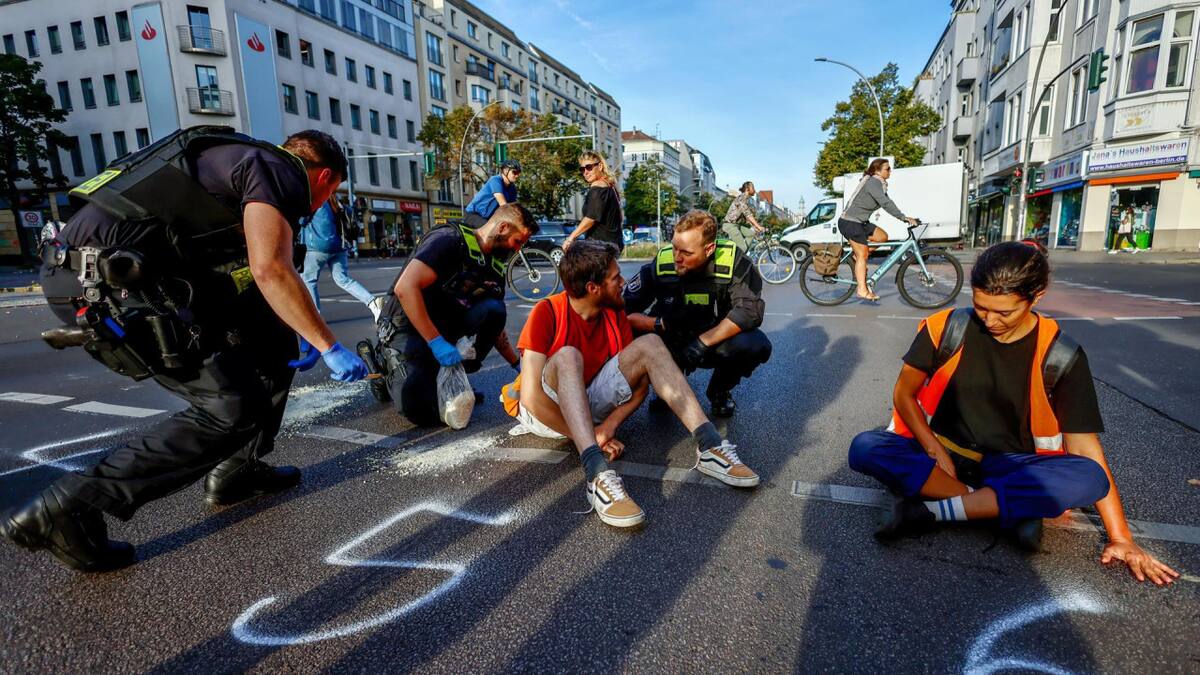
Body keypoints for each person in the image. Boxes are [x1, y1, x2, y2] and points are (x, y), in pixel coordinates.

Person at [3, 127, 368, 573]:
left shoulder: (236, 161)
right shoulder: (277, 170)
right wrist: (329, 345)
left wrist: (298, 331)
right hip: (108, 286)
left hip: (110, 273)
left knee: (275, 342)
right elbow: (270, 266)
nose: (324, 203)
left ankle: (238, 468)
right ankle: (68, 506)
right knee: (228, 408)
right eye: (331, 193)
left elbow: (244, 276)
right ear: (326, 177)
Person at [848, 241, 1179, 585]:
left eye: (1004, 312)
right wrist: (931, 445)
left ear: (1036, 296)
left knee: (1089, 477)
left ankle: (932, 510)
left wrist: (1121, 538)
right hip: (943, 454)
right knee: (867, 447)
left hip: (1010, 463)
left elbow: (1085, 449)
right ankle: (998, 509)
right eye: (980, 307)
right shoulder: (945, 328)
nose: (990, 320)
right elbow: (904, 392)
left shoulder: (1061, 354)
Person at [500, 241, 759, 528]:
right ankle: (596, 473)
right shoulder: (547, 312)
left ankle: (710, 446)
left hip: (585, 405)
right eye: (615, 278)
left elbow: (639, 388)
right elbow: (531, 398)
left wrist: (608, 427)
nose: (623, 283)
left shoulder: (614, 316)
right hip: (545, 412)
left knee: (649, 344)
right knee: (568, 355)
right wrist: (584, 437)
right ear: (592, 288)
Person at [361, 203, 536, 424]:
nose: (518, 249)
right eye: (518, 241)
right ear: (502, 227)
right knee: (418, 410)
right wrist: (436, 342)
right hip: (409, 325)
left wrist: (517, 366)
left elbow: (495, 328)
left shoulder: (494, 267)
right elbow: (405, 288)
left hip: (444, 328)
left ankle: (450, 377)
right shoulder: (449, 239)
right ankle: (382, 365)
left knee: (494, 309)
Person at [624, 209, 771, 417]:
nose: (677, 258)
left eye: (686, 253)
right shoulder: (663, 262)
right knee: (629, 334)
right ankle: (666, 386)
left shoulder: (733, 262)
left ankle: (719, 391)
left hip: (715, 343)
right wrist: (658, 324)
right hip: (670, 337)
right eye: (675, 247)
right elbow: (625, 309)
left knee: (755, 344)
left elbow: (749, 311)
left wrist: (702, 343)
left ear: (709, 248)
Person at [838, 159, 919, 301]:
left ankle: (858, 259)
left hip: (861, 222)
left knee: (882, 237)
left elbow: (889, 202)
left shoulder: (879, 184)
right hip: (850, 222)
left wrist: (905, 216)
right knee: (863, 255)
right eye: (887, 169)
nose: (890, 171)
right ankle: (861, 290)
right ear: (877, 171)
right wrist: (903, 217)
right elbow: (886, 203)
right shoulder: (873, 183)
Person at [300, 197, 384, 321]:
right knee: (342, 279)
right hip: (340, 247)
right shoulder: (336, 202)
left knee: (309, 280)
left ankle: (316, 319)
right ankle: (373, 303)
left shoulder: (316, 201)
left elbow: (301, 220)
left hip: (318, 247)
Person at [562, 151, 623, 252]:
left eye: (589, 167)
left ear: (600, 166)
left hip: (600, 246)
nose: (585, 172)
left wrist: (570, 238)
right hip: (613, 244)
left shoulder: (598, 187)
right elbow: (620, 217)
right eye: (582, 169)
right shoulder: (610, 186)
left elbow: (591, 218)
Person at [464, 159, 521, 228]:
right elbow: (503, 205)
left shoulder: (512, 189)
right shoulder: (495, 180)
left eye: (519, 172)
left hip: (488, 219)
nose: (517, 175)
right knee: (490, 228)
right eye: (515, 172)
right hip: (473, 215)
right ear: (506, 171)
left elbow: (512, 208)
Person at [721, 181, 766, 252]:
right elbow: (748, 214)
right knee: (743, 248)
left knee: (751, 234)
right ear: (747, 189)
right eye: (753, 188)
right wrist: (758, 226)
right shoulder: (742, 198)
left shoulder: (746, 199)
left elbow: (747, 217)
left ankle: (742, 254)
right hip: (730, 225)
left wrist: (755, 227)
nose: (755, 190)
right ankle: (739, 256)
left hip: (736, 225)